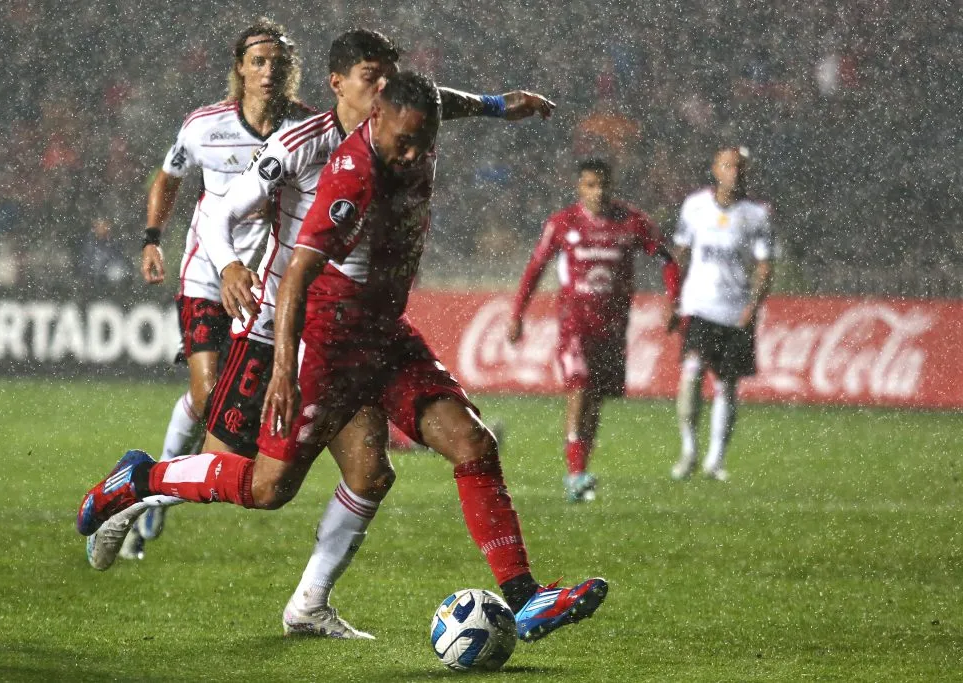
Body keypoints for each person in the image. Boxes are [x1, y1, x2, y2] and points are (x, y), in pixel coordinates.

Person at [78, 71, 607, 644]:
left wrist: (500, 105)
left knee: (470, 444)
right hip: (327, 345)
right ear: (376, 117)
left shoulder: (415, 122)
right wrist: (283, 370)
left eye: (423, 141)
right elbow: (298, 277)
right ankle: (141, 477)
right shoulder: (351, 178)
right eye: (403, 141)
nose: (413, 154)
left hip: (384, 336)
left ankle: (524, 598)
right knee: (267, 488)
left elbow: (439, 100)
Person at [131, 19, 312, 552]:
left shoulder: (306, 127)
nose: (268, 71)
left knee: (235, 411)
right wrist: (151, 238)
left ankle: (155, 488)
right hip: (208, 272)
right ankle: (156, 489)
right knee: (209, 394)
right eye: (258, 61)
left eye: (277, 62)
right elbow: (168, 177)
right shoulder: (203, 127)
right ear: (240, 68)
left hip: (266, 281)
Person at [508, 159, 679, 503]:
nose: (597, 192)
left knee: (596, 399)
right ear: (579, 187)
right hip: (575, 324)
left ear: (612, 185)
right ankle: (574, 475)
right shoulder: (562, 223)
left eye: (602, 185)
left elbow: (667, 259)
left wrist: (674, 300)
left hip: (613, 326)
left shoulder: (632, 222)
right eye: (590, 185)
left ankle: (581, 467)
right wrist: (517, 314)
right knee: (579, 389)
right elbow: (535, 267)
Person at [668, 146, 773, 481]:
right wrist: (673, 299)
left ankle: (715, 460)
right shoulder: (694, 206)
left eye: (740, 167)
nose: (735, 173)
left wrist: (753, 306)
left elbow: (764, 266)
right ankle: (688, 450)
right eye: (728, 166)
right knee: (693, 370)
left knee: (727, 385)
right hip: (699, 304)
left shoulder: (757, 215)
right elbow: (680, 254)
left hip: (734, 309)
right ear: (715, 169)